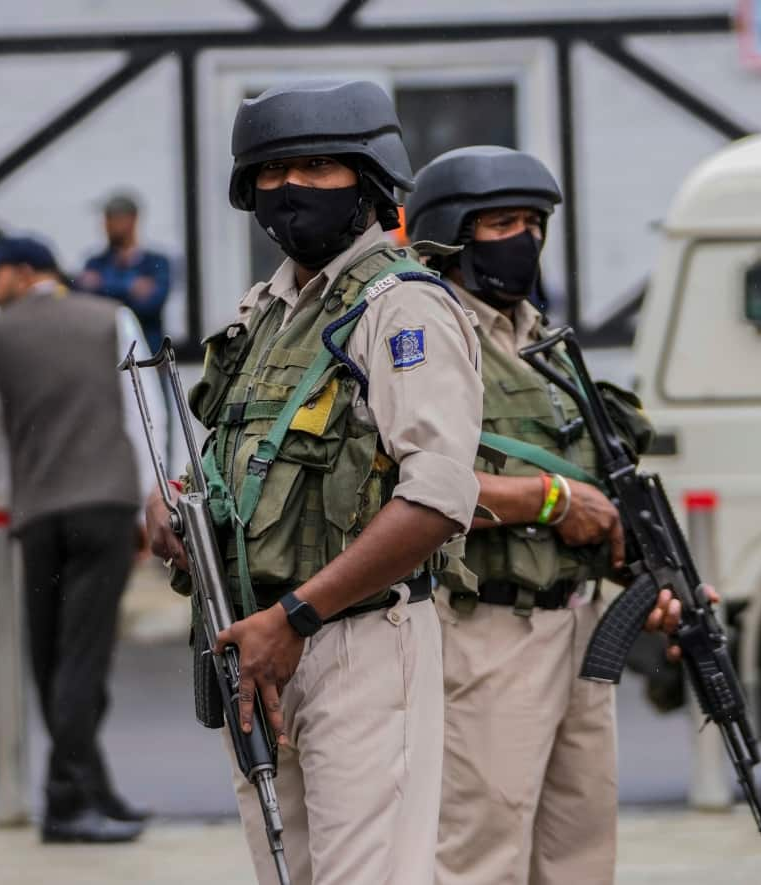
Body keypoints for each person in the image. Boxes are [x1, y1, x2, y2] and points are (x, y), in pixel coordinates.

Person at [144, 80, 485, 885]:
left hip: (356, 640)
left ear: (368, 181)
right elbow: (239, 461)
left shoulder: (402, 311)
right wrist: (180, 509)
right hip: (257, 649)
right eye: (272, 171)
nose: (290, 189)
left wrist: (297, 613)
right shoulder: (266, 314)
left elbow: (435, 498)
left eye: (317, 166)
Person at [405, 145, 697, 885]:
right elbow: (407, 485)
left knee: (581, 852)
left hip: (579, 623)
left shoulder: (546, 341)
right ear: (452, 236)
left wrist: (652, 576)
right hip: (486, 629)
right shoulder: (429, 337)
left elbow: (606, 475)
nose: (522, 239)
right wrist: (552, 500)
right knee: (479, 851)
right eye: (501, 222)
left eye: (533, 223)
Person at [0, 235, 164, 844]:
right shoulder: (112, 317)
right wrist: (149, 502)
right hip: (104, 504)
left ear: (24, 272)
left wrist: (9, 497)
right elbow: (144, 411)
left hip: (37, 512)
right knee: (83, 657)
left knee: (53, 657)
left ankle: (89, 789)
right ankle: (68, 800)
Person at [77, 193, 171, 354]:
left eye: (112, 217)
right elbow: (86, 303)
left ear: (132, 219)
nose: (106, 224)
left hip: (148, 355)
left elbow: (150, 305)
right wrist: (131, 285)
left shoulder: (156, 262)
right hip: (106, 354)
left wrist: (103, 284)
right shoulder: (95, 262)